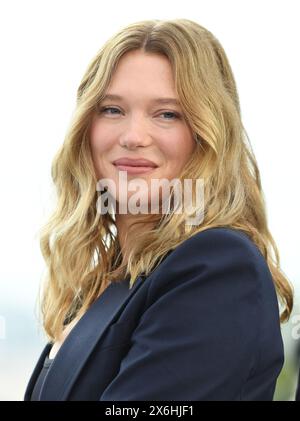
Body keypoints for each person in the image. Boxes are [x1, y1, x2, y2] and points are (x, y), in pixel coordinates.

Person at [24, 18, 293, 401]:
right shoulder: (110, 280)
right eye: (112, 110)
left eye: (167, 114)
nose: (133, 136)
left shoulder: (217, 267)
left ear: (207, 133)